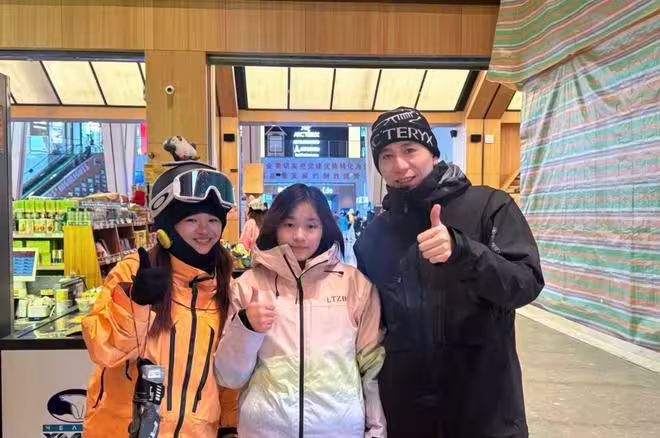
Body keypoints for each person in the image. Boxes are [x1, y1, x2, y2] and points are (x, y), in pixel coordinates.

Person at [354, 107, 544, 438]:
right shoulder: (374, 237)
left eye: (410, 150)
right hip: (408, 414)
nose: (400, 165)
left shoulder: (489, 206)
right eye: (386, 156)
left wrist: (464, 252)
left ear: (432, 151)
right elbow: (372, 323)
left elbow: (525, 283)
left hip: (485, 409)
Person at [82, 158, 239, 438]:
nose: (204, 230)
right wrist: (136, 303)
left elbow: (226, 370)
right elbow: (103, 349)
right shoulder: (133, 272)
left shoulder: (225, 286)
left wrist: (228, 425)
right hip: (124, 430)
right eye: (191, 220)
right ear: (167, 226)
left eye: (213, 220)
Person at [215, 184, 386, 438]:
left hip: (337, 431)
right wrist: (246, 327)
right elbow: (229, 377)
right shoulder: (249, 286)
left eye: (311, 226)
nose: (299, 236)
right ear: (275, 227)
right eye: (289, 224)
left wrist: (376, 431)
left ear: (324, 228)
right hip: (265, 431)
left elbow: (372, 369)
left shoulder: (355, 285)